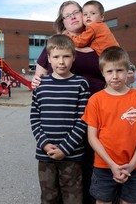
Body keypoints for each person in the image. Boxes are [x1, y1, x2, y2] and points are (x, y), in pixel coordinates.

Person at [32, 0, 106, 204]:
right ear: (62, 21)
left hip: (99, 111)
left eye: (76, 12)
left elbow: (119, 63)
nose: (73, 16)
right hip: (69, 113)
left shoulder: (100, 39)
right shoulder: (59, 42)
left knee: (93, 163)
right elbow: (40, 78)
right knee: (60, 180)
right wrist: (37, 81)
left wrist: (129, 74)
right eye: (67, 15)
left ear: (84, 15)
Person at [82, 46, 136, 204]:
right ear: (102, 72)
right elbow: (92, 137)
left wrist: (132, 164)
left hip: (133, 167)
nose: (115, 76)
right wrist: (112, 164)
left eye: (120, 70)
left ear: (128, 70)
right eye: (109, 71)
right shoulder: (95, 100)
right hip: (103, 166)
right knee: (102, 201)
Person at [30, 34, 90, 204]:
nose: (61, 61)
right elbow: (34, 118)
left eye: (66, 56)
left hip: (72, 155)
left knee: (73, 197)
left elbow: (83, 120)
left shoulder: (81, 84)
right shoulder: (41, 85)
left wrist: (65, 148)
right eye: (56, 57)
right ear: (48, 58)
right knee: (49, 197)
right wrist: (44, 143)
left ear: (74, 57)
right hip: (45, 154)